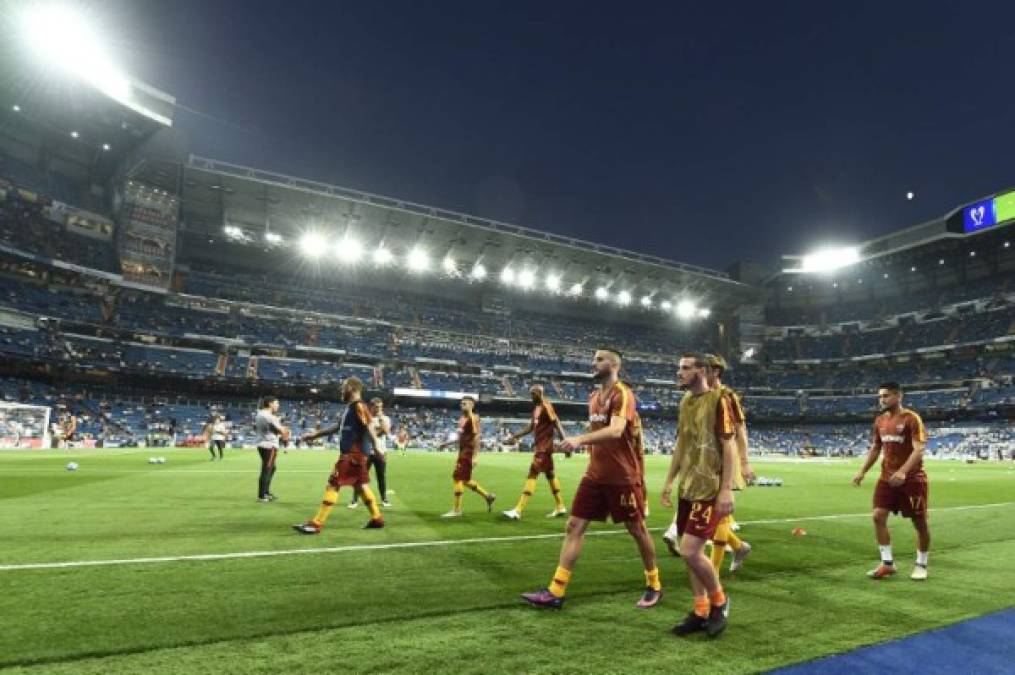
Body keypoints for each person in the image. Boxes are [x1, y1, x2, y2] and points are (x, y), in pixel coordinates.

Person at [521, 347, 662, 610]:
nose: (593, 363)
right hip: (595, 475)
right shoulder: (593, 397)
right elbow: (597, 428)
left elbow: (617, 430)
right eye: (594, 359)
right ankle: (556, 591)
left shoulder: (623, 394)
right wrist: (571, 443)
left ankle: (654, 584)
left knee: (637, 530)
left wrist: (579, 440)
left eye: (599, 360)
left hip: (622, 477)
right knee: (574, 526)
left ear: (614, 365)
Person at [661, 352, 737, 638]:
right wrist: (669, 481)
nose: (679, 372)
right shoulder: (685, 402)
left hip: (710, 487)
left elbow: (728, 447)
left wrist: (727, 489)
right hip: (688, 486)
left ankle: (720, 601)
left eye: (685, 368)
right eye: (678, 367)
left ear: (702, 370)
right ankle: (700, 609)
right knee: (691, 555)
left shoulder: (720, 400)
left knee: (690, 550)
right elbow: (681, 443)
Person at [852, 382, 930, 581]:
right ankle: (887, 563)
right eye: (880, 396)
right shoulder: (879, 421)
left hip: (912, 480)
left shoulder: (912, 419)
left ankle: (921, 563)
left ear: (898, 396)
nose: (882, 400)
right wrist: (862, 471)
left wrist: (903, 472)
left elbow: (919, 448)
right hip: (886, 479)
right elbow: (876, 448)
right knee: (878, 516)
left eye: (886, 396)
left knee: (919, 523)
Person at [293, 377, 385, 532]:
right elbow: (338, 427)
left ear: (351, 388)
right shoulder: (351, 408)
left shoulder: (359, 406)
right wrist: (315, 435)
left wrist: (376, 445)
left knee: (333, 484)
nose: (341, 391)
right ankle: (377, 518)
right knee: (361, 486)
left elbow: (369, 424)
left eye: (343, 387)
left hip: (351, 455)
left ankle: (316, 523)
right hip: (358, 456)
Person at [502, 385, 568, 520]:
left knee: (532, 474)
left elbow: (556, 423)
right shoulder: (536, 409)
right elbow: (531, 427)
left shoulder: (546, 406)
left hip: (544, 448)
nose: (531, 397)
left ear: (539, 393)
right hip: (541, 447)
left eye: (533, 394)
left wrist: (565, 442)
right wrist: (515, 436)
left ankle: (518, 510)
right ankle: (560, 506)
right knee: (550, 475)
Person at [439, 396, 496, 517]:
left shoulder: (473, 418)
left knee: (458, 478)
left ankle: (457, 510)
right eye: (461, 403)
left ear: (472, 405)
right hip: (462, 452)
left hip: (468, 453)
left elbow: (476, 438)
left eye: (465, 403)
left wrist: (475, 456)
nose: (462, 405)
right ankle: (488, 496)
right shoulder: (461, 419)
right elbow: (460, 438)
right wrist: (446, 444)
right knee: (465, 480)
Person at [349, 398, 392, 508]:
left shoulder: (386, 418)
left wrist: (380, 420)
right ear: (371, 406)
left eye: (380, 407)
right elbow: (370, 434)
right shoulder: (365, 418)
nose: (379, 409)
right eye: (377, 407)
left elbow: (386, 432)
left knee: (381, 477)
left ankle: (384, 499)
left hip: (380, 452)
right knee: (361, 477)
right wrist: (377, 431)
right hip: (366, 452)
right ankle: (354, 500)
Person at [254, 398, 288, 502]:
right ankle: (262, 495)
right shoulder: (269, 416)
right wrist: (285, 430)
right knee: (267, 469)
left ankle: (266, 492)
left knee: (271, 468)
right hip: (270, 445)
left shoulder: (260, 414)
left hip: (262, 443)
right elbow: (282, 431)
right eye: (277, 403)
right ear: (270, 404)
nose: (278, 406)